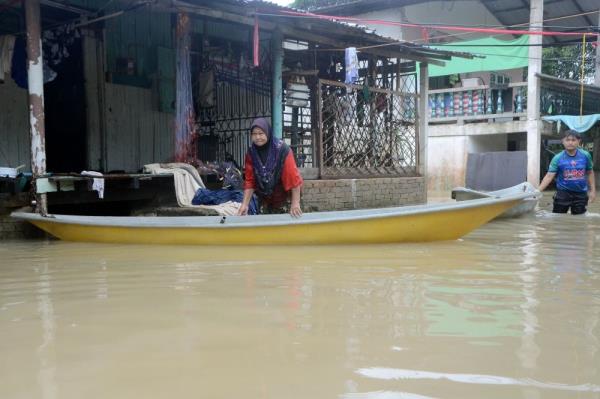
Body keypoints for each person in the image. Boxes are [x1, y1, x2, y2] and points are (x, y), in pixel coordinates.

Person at [237, 118, 303, 217]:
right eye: (254, 134)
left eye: (261, 133)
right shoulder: (251, 153)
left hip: (287, 197)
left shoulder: (282, 150)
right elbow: (250, 181)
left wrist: (295, 203)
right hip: (265, 199)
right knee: (266, 228)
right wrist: (245, 205)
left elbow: (293, 178)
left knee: (288, 227)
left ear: (268, 133)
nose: (258, 137)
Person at [538, 130, 596, 214]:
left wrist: (593, 191)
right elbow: (549, 176)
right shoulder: (557, 158)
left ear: (578, 141)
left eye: (573, 140)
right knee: (558, 217)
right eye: (567, 140)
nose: (570, 143)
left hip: (580, 194)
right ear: (562, 141)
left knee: (579, 219)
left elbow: (590, 172)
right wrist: (538, 191)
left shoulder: (585, 155)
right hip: (563, 193)